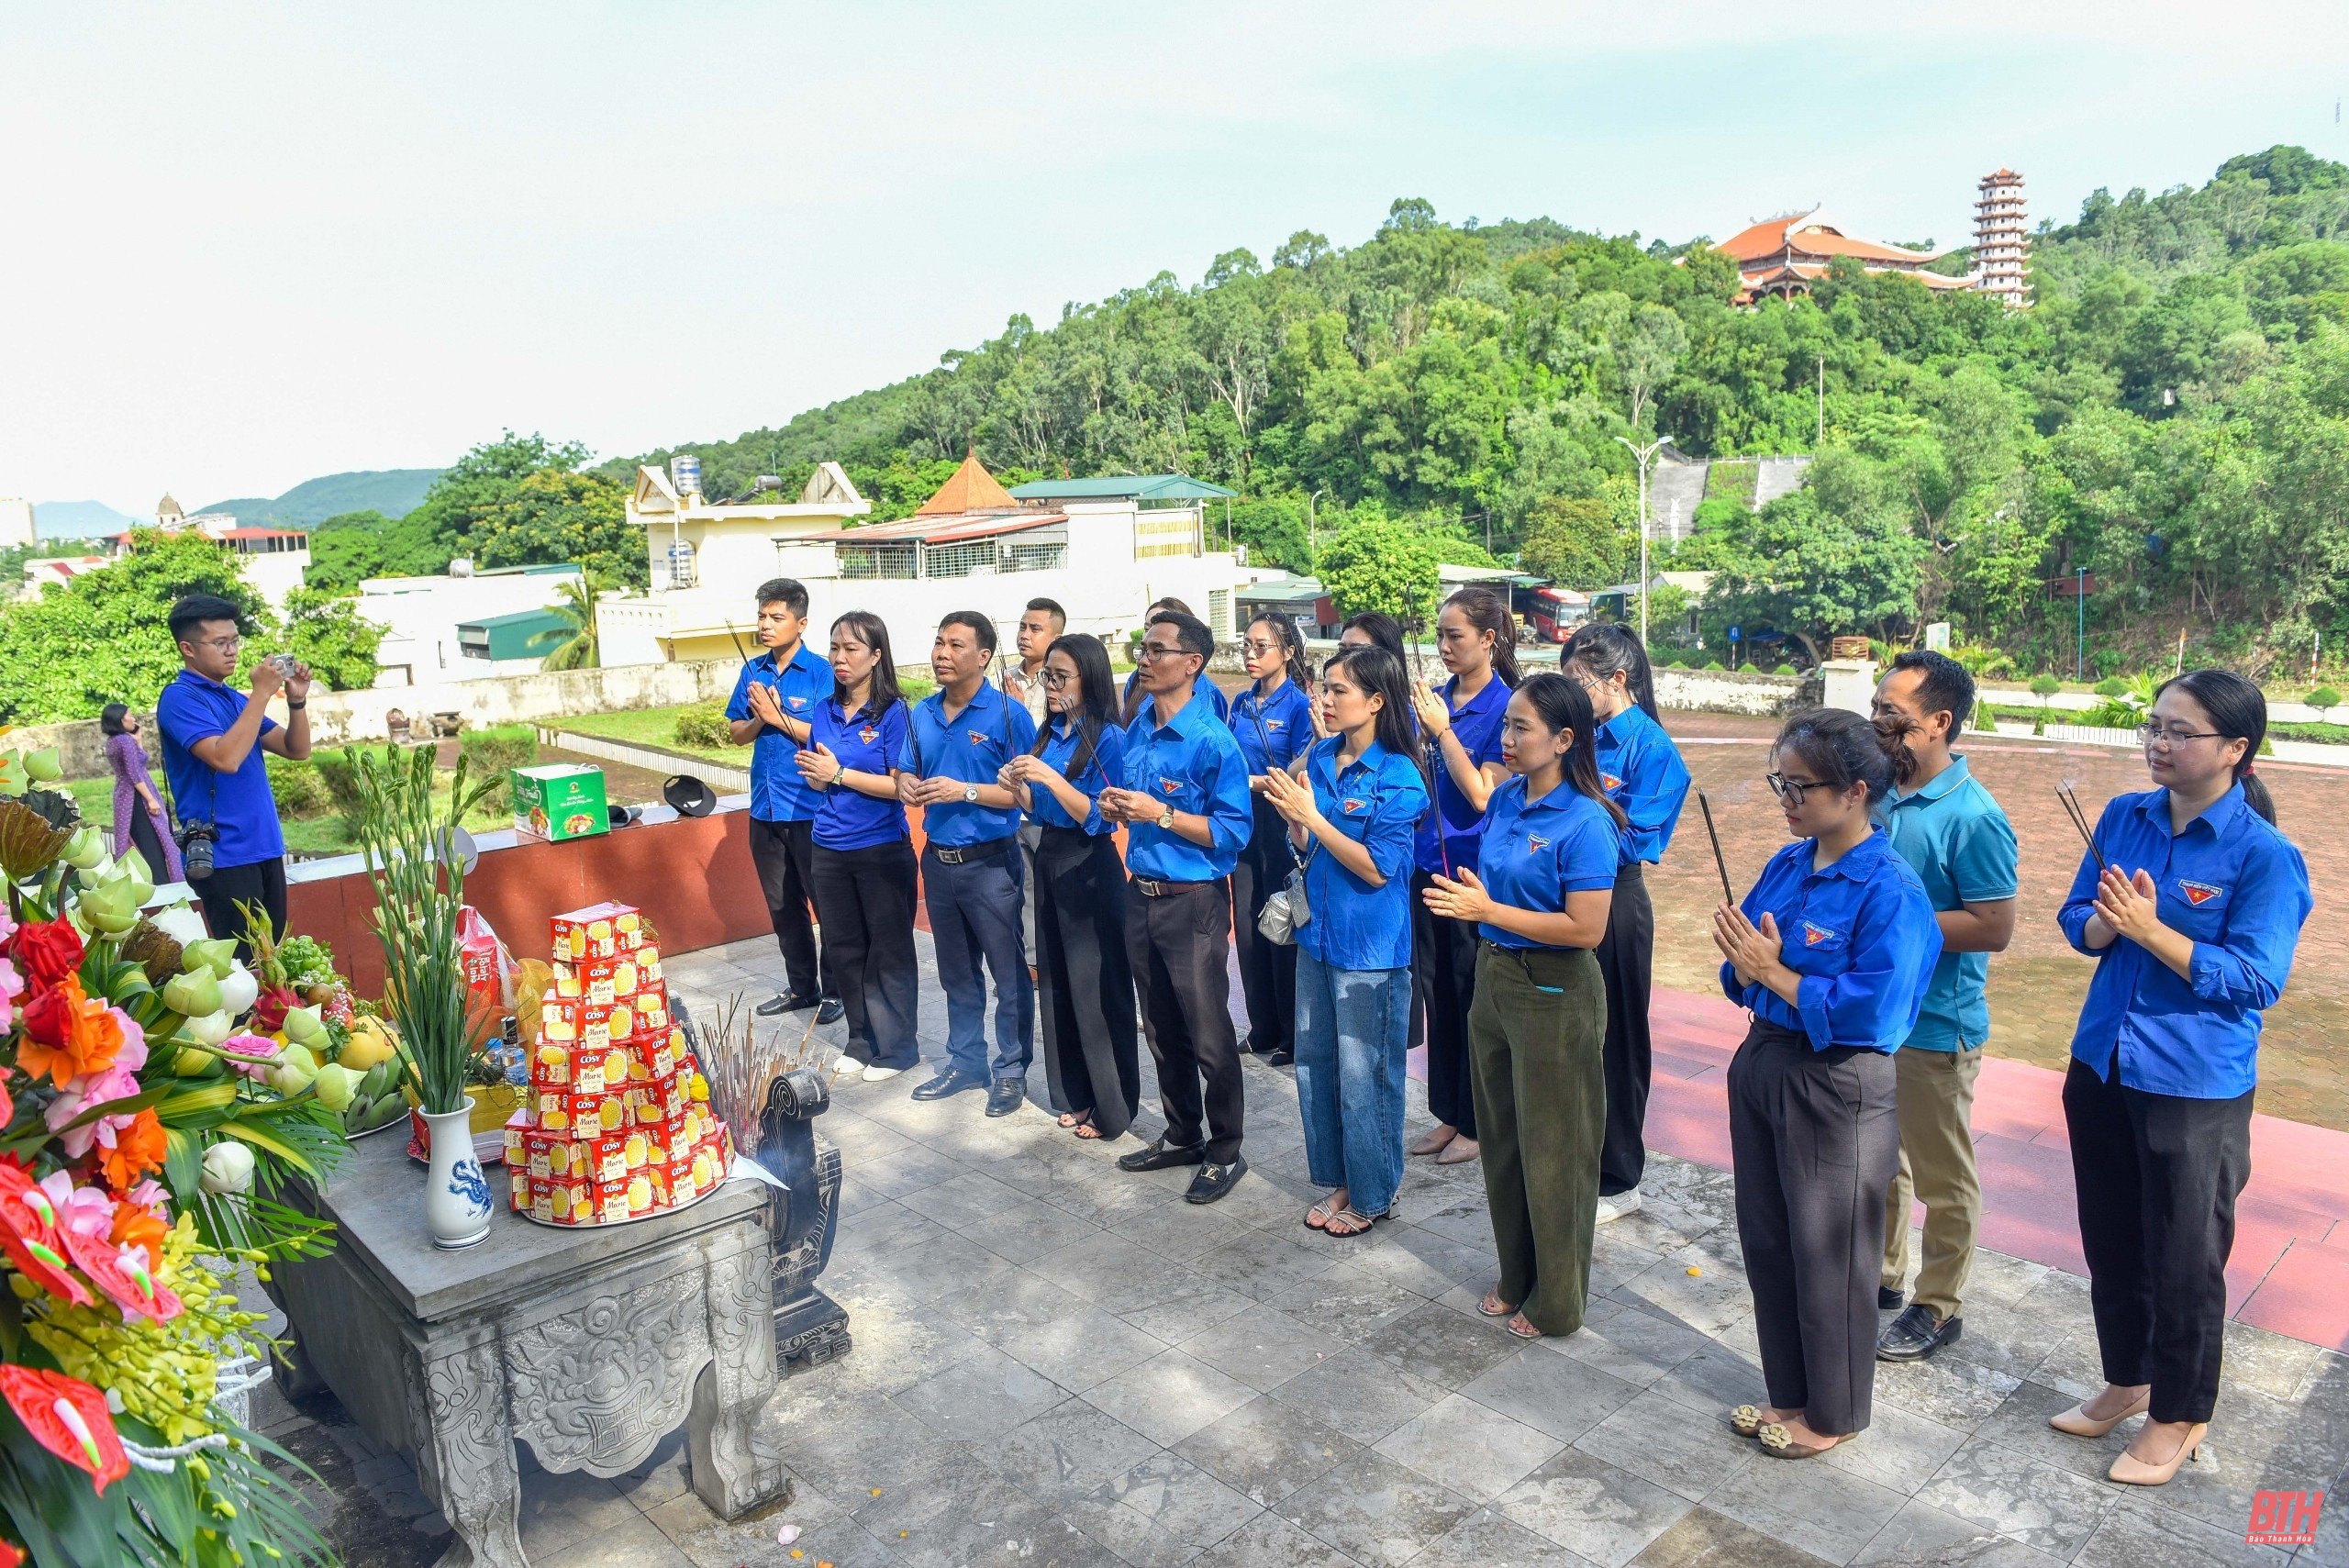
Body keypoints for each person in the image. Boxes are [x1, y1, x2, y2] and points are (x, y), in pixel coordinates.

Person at [2050, 670, 2310, 1486]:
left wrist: (2153, 930)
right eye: (2153, 727)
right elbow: (2074, 921)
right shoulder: (2124, 816)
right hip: (2103, 1060)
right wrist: (2103, 921)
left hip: (2194, 1083)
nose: (2159, 744)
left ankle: (2181, 1412)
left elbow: (2257, 979)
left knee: (2184, 1254)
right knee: (2112, 1235)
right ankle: (2128, 1378)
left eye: (2180, 732)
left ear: (2235, 749)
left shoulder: (2264, 856)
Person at [1712, 707, 1941, 1460]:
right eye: (1780, 780)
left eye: (1799, 785)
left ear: (1853, 792)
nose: (1786, 796)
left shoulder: (1891, 889)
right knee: (1769, 1238)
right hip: (1767, 1060)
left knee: (1831, 1254)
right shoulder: (1788, 863)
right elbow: (1736, 969)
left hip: (1837, 1079)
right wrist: (1752, 968)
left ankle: (1834, 1412)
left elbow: (1874, 1011)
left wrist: (1777, 972)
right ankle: (1790, 1390)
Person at [1421, 673, 1622, 1338]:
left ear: (1565, 740)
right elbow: (1503, 887)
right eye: (1505, 725)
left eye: (1521, 728)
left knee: (1555, 1151)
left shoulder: (1587, 819)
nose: (1506, 739)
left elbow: (1586, 928)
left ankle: (1558, 1300)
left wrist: (1488, 909)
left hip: (1556, 992)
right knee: (1503, 1140)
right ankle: (1516, 1271)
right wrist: (1483, 904)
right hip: (1497, 979)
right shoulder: (1506, 800)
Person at [1867, 651, 2017, 1364]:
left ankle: (1939, 1302)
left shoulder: (1974, 817)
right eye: (1876, 709)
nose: (1877, 723)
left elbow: (1994, 925)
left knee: (1942, 1173)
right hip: (1878, 1014)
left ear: (1938, 722)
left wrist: (1897, 920)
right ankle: (1885, 1273)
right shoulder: (1881, 795)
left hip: (1937, 1024)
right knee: (1881, 1159)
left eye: (1891, 715)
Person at [1263, 644, 1426, 1237]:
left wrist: (1317, 818)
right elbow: (1310, 851)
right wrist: (1298, 826)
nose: (1325, 701)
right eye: (1324, 689)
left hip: (1370, 953)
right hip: (1319, 938)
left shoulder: (1398, 776)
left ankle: (1375, 1191)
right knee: (1319, 1067)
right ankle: (1343, 1178)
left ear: (1377, 701)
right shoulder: (1323, 756)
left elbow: (1378, 868)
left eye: (1339, 690)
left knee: (1367, 1078)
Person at [1104, 611, 1254, 1204]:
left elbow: (1231, 832)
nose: (1145, 658)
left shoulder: (1212, 740)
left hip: (1193, 903)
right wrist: (1122, 808)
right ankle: (1182, 1131)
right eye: (1143, 647)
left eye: (1159, 649)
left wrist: (1160, 813)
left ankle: (1225, 1147)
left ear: (1192, 663)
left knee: (1207, 1030)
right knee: (1160, 1024)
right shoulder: (1139, 724)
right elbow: (1139, 807)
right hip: (1140, 892)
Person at [1562, 624, 1691, 1225]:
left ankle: (1620, 1176)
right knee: (1574, 1031)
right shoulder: (1576, 735)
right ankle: (1579, 1153)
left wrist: (1572, 827)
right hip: (1564, 892)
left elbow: (1637, 837)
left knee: (1618, 1039)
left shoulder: (1651, 748)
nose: (1570, 691)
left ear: (1617, 680)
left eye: (1578, 681)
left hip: (1616, 899)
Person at [999, 633, 1139, 1140]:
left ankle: (1114, 1104)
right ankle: (1074, 1093)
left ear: (1089, 679)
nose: (1051, 687)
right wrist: (1019, 788)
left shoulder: (1108, 738)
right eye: (1047, 678)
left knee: (1097, 989)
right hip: (1050, 855)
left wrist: (1051, 780)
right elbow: (1041, 811)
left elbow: (1099, 819)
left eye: (1061, 678)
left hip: (1090, 865)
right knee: (1055, 984)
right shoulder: (1050, 732)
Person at [898, 612, 1039, 1116]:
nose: (941, 653)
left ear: (982, 657)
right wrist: (905, 786)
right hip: (938, 861)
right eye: (938, 642)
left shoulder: (1008, 717)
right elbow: (904, 770)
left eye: (955, 645)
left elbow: (1026, 794)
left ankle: (1011, 1069)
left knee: (1007, 972)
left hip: (991, 865)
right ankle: (966, 1062)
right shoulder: (922, 712)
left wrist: (967, 791)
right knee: (957, 973)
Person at [1406, 587, 1518, 1168]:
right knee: (1439, 994)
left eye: (1457, 636)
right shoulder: (1435, 699)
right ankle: (1448, 1110)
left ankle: (1480, 1119)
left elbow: (1481, 796)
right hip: (1427, 865)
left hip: (1474, 875)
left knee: (1476, 998)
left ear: (1489, 640)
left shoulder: (1506, 708)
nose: (1445, 646)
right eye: (1441, 635)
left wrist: (1443, 731)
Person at [794, 613, 920, 1083]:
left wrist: (839, 774)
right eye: (834, 648)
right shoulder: (824, 710)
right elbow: (821, 771)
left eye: (851, 649)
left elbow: (900, 785)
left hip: (880, 848)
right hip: (827, 845)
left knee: (888, 949)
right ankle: (860, 1039)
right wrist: (816, 772)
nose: (839, 658)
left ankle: (897, 1048)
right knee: (845, 948)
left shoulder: (894, 714)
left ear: (876, 656)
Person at [155, 594, 311, 957]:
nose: (232, 651)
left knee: (274, 961)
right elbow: (225, 758)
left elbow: (296, 749)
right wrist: (260, 693)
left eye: (235, 640)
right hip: (224, 854)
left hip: (264, 845)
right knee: (247, 967)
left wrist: (296, 700)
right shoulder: (180, 698)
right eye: (220, 642)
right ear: (188, 648)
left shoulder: (234, 700)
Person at [728, 578, 842, 1024]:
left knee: (826, 903)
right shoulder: (752, 671)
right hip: (765, 806)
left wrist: (777, 715)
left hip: (810, 807)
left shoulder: (821, 672)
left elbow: (825, 735)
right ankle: (802, 988)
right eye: (762, 616)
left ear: (801, 622)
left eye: (776, 618)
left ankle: (836, 990)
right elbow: (737, 733)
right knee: (782, 904)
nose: (766, 625)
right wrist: (760, 717)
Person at [1229, 614, 1317, 1065]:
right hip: (1244, 822)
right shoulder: (1240, 704)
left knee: (1284, 922)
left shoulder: (1299, 705)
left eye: (1261, 646)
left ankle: (1292, 1033)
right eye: (1247, 645)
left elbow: (1304, 762)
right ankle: (1261, 1027)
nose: (1250, 653)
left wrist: (1255, 782)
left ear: (1287, 653)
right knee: (1247, 924)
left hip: (1282, 819)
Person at [1007, 598, 1067, 974]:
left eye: (1035, 629)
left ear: (1057, 636)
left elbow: (1053, 742)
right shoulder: (1004, 677)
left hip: (1049, 801)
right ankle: (1030, 961)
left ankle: (1056, 959)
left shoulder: (1062, 683)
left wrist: (1018, 712)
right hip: (1013, 799)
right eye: (1022, 627)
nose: (1025, 636)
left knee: (1053, 887)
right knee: (1021, 884)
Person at [102, 703, 184, 883]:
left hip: (124, 795)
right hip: (137, 795)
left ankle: (154, 879)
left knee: (140, 840)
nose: (133, 719)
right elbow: (134, 773)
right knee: (153, 840)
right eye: (128, 716)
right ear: (119, 720)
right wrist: (151, 800)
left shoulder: (113, 742)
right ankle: (163, 880)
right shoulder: (124, 741)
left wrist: (137, 741)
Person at [1120, 597, 1230, 725]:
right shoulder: (1137, 679)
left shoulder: (1207, 694)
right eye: (1147, 628)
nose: (1151, 634)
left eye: (1159, 627)